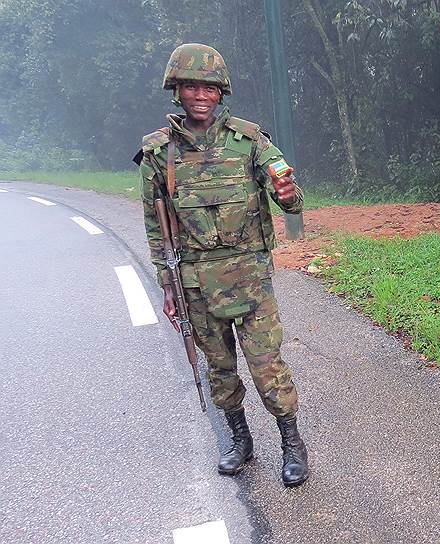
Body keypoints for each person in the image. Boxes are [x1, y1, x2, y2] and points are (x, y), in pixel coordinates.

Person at [136, 43, 309, 487]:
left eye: (208, 87)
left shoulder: (250, 140)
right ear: (177, 90)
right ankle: (239, 440)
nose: (199, 95)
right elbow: (157, 227)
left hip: (250, 279)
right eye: (190, 86)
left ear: (221, 92)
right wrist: (168, 286)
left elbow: (287, 194)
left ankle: (292, 442)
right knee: (220, 369)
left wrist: (288, 196)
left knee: (267, 366)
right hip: (195, 281)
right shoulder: (158, 154)